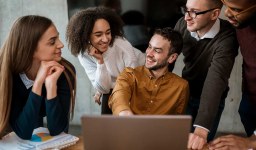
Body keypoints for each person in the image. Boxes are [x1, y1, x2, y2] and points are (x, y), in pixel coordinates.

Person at [174, 0, 239, 149]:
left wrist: (202, 128)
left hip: (213, 99)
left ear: (214, 14)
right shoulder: (182, 24)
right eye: (186, 10)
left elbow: (216, 79)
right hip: (186, 93)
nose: (186, 17)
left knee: (200, 144)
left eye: (195, 12)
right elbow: (168, 60)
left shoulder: (228, 36)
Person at [0, 15, 76, 139]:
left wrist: (51, 86)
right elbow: (23, 132)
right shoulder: (5, 73)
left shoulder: (64, 71)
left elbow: (58, 130)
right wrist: (38, 84)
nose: (61, 45)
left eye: (58, 38)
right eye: (52, 41)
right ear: (30, 48)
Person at [66, 7, 145, 114]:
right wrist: (100, 61)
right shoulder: (83, 54)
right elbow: (103, 88)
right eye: (98, 35)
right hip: (114, 85)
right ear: (86, 36)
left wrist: (106, 90)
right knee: (107, 114)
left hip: (139, 78)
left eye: (108, 32)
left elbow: (133, 80)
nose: (106, 39)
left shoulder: (120, 44)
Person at [108, 27, 189, 116]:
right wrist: (124, 113)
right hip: (129, 127)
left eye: (157, 50)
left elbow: (178, 124)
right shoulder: (129, 75)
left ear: (172, 57)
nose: (149, 53)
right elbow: (118, 97)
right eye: (149, 46)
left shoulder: (181, 87)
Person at [209, 0, 256, 149]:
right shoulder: (241, 20)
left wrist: (252, 142)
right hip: (250, 99)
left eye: (235, 9)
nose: (227, 12)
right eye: (225, 4)